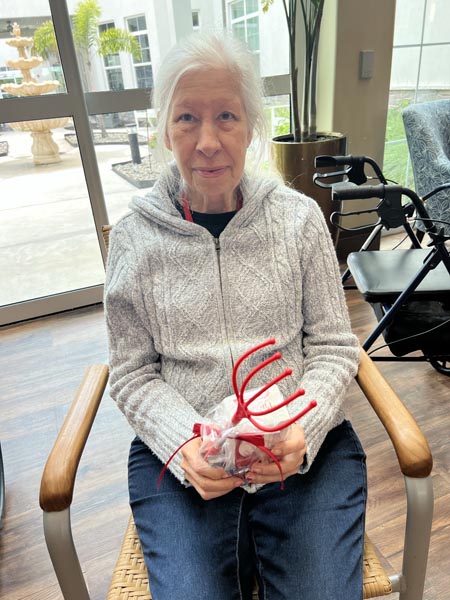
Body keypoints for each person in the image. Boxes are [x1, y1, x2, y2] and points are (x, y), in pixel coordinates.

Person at [105, 32, 366, 600]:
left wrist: (304, 427)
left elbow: (334, 346)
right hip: (185, 465)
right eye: (186, 118)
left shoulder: (298, 221)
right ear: (165, 129)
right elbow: (130, 373)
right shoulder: (133, 239)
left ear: (252, 125)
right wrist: (182, 443)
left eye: (226, 116)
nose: (207, 142)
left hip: (302, 456)